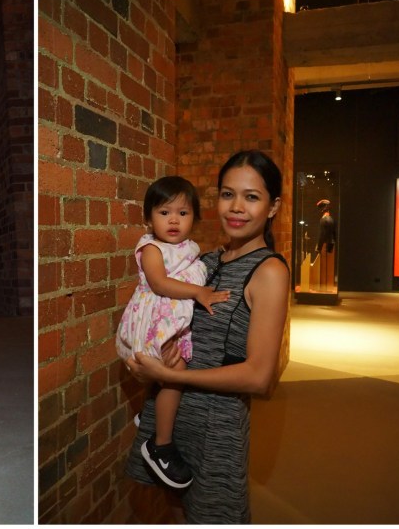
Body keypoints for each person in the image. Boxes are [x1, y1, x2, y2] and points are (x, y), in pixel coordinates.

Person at [125, 150, 290, 524]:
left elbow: (258, 376)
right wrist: (151, 360)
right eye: (228, 194)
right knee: (176, 512)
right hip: (173, 414)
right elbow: (169, 318)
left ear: (273, 206)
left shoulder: (268, 272)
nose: (236, 207)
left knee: (213, 516)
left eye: (252, 197)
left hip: (216, 427)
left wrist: (171, 377)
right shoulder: (204, 262)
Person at [115, 176, 230, 489]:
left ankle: (149, 417)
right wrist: (199, 293)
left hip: (170, 323)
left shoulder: (190, 249)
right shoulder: (152, 248)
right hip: (152, 321)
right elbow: (160, 283)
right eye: (165, 213)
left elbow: (190, 266)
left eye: (183, 212)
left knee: (170, 372)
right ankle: (160, 444)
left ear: (194, 216)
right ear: (149, 218)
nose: (174, 220)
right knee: (174, 372)